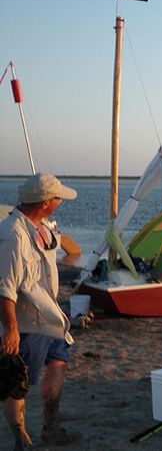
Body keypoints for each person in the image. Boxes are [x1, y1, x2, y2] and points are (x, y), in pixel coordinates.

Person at [0, 173, 80, 449]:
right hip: (26, 322)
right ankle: (20, 437)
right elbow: (5, 287)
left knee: (59, 363)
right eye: (57, 197)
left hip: (49, 316)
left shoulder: (41, 227)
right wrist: (10, 329)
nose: (60, 202)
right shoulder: (12, 235)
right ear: (46, 202)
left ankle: (50, 425)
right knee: (17, 381)